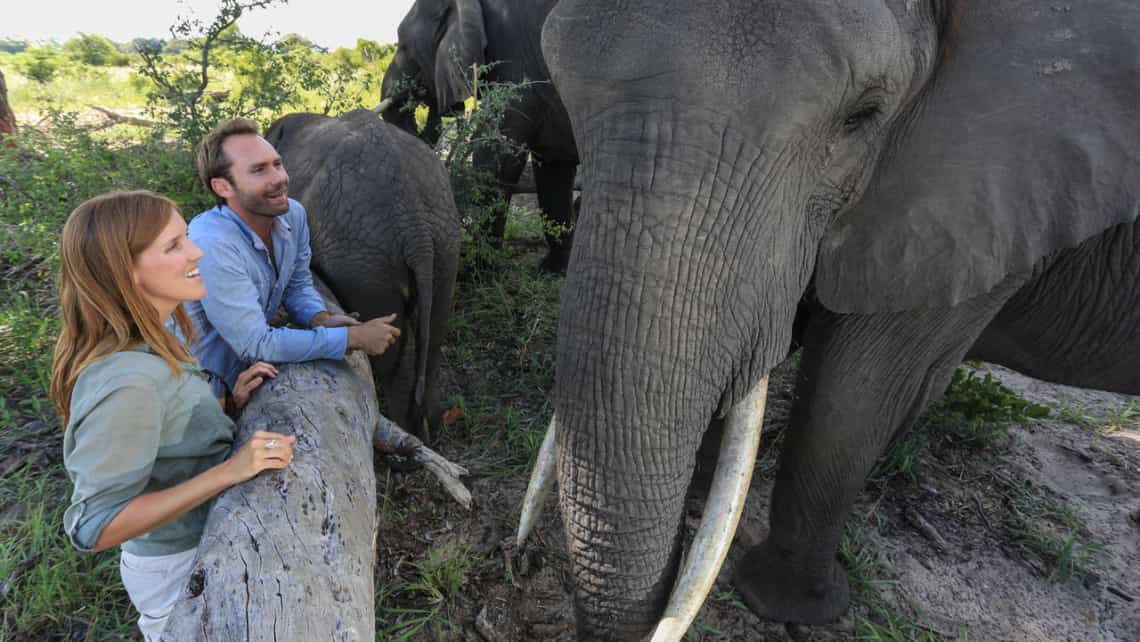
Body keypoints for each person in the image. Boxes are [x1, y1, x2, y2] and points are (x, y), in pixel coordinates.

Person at [50, 191, 296, 641]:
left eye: (187, 237)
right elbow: (96, 525)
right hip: (179, 568)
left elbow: (164, 430)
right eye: (174, 245)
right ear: (126, 271)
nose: (196, 251)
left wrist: (226, 406)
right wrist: (229, 472)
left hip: (209, 542)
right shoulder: (129, 381)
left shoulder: (154, 339)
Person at [186, 118, 399, 400]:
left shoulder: (292, 214)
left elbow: (297, 283)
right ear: (223, 187)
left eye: (277, 163)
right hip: (200, 391)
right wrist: (352, 338)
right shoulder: (212, 244)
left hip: (245, 375)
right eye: (259, 170)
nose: (280, 178)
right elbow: (256, 344)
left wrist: (320, 318)